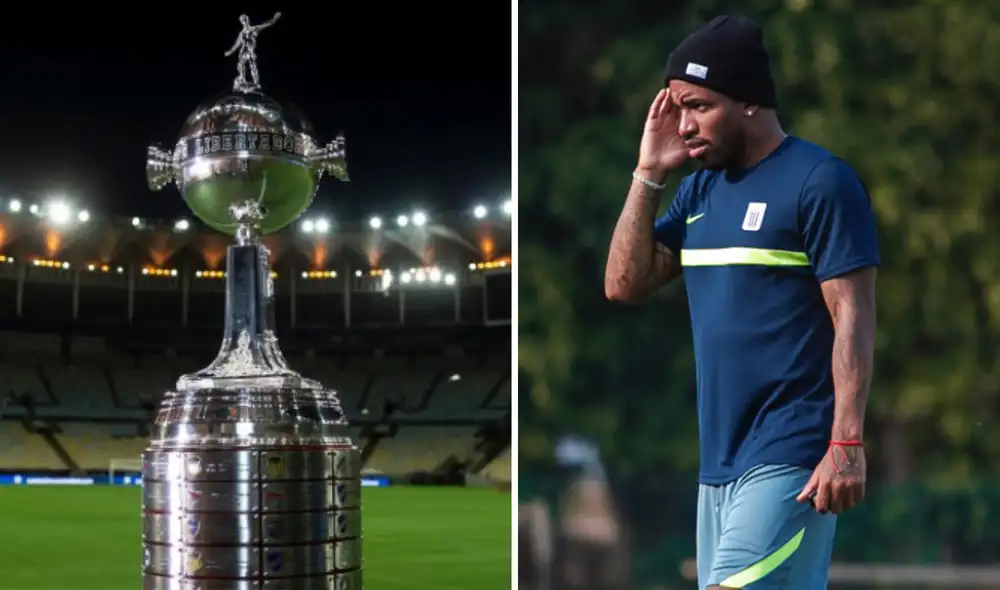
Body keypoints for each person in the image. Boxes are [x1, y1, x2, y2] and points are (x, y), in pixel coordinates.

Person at [604, 14, 878, 590]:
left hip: (794, 454)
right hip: (718, 466)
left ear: (749, 101)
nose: (685, 126)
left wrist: (846, 441)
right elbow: (624, 283)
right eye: (677, 109)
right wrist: (648, 173)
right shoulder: (699, 190)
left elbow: (852, 315)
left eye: (699, 106)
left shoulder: (820, 182)